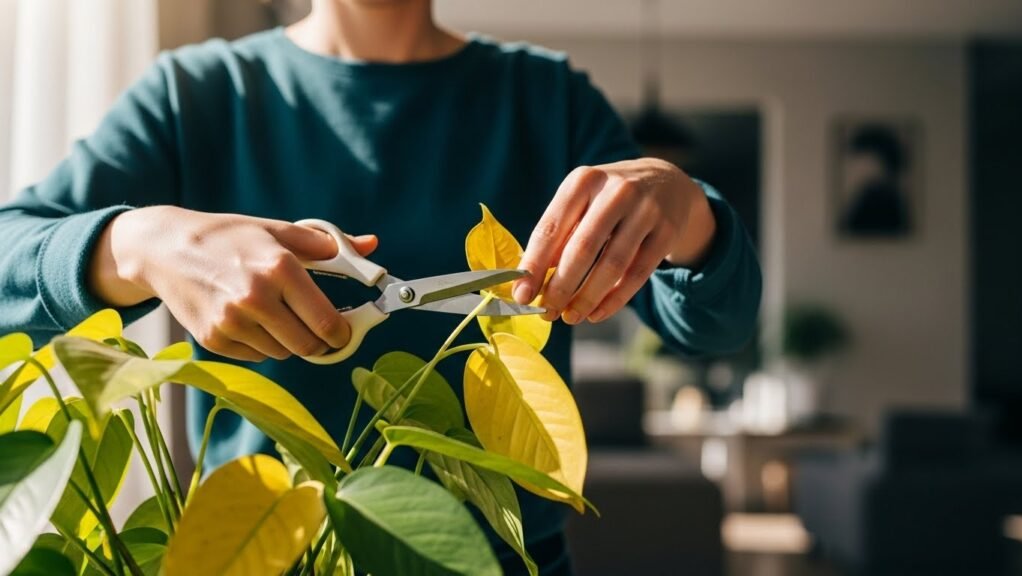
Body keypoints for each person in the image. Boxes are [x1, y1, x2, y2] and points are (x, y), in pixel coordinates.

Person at [0, 1, 761, 573]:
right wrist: (133, 241)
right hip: (265, 553)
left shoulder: (546, 99)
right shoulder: (196, 95)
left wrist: (687, 210)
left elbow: (716, 325)